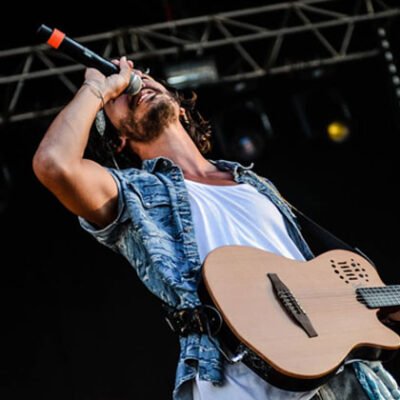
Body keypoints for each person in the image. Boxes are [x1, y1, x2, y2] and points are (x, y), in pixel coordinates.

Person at [32, 56, 400, 400]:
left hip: (344, 379)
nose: (136, 83)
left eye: (144, 77)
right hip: (243, 385)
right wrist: (97, 88)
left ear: (179, 106)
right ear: (118, 139)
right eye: (123, 94)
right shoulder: (134, 194)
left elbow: (319, 283)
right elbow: (54, 164)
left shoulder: (254, 184)